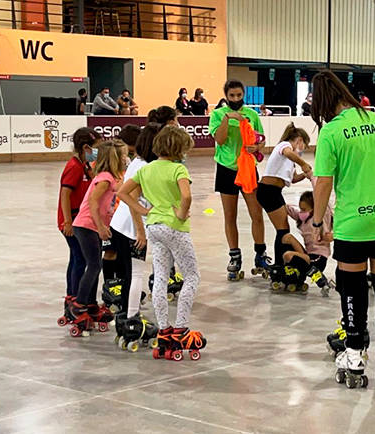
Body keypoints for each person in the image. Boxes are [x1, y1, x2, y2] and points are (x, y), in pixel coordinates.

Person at [310, 70, 375, 389]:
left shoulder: (331, 133)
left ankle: (354, 354)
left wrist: (317, 222)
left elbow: (323, 181)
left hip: (354, 224)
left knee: (351, 289)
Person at [118, 126, 207, 360]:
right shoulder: (178, 169)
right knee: (191, 276)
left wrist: (144, 210)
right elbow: (186, 196)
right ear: (179, 148)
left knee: (160, 278)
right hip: (175, 228)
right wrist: (181, 212)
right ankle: (181, 327)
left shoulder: (146, 170)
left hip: (154, 227)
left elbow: (123, 193)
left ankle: (165, 329)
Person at [66, 140, 128, 336]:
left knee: (95, 264)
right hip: (86, 225)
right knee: (94, 265)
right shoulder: (104, 178)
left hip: (93, 226)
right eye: (123, 156)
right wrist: (100, 226)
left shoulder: (113, 177)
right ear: (115, 158)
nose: (126, 159)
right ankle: (80, 303)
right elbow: (92, 201)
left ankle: (90, 303)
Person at [209, 79, 269, 280]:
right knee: (229, 215)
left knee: (256, 213)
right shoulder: (217, 115)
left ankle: (260, 254)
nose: (236, 99)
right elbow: (219, 139)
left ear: (243, 95)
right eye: (232, 96)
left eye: (239, 95)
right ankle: (234, 256)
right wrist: (227, 119)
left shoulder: (251, 114)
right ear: (226, 96)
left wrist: (257, 148)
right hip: (226, 169)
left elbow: (261, 140)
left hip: (248, 168)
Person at [105, 123, 159, 322]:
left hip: (119, 224)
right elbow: (132, 198)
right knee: (135, 274)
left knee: (128, 273)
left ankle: (125, 313)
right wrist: (141, 231)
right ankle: (131, 317)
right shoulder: (145, 167)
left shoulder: (137, 162)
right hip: (131, 228)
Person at [255, 123, 317, 280]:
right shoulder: (285, 146)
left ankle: (281, 263)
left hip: (275, 192)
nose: (302, 149)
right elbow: (288, 152)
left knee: (284, 228)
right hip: (268, 191)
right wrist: (303, 164)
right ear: (299, 140)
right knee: (282, 230)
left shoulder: (290, 160)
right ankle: (279, 265)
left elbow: (293, 178)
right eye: (304, 145)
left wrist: (306, 174)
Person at [56, 127, 101, 325]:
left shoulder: (83, 165)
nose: (97, 152)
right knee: (80, 259)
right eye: (96, 148)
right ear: (85, 147)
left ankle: (73, 297)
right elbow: (65, 194)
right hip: (72, 221)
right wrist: (67, 221)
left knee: (77, 257)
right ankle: (74, 299)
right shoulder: (73, 166)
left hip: (79, 219)